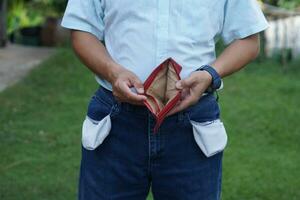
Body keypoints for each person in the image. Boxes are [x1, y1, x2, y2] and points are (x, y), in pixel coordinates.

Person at [61, 0, 268, 199]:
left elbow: (249, 41)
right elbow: (81, 30)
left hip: (192, 125)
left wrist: (210, 74)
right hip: (116, 122)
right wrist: (113, 72)